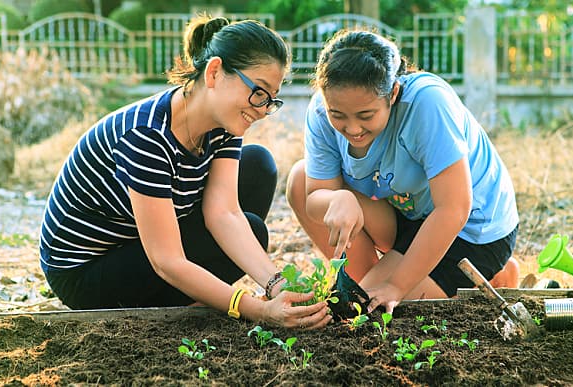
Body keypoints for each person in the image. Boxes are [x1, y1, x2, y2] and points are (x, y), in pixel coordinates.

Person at [39, 15, 331, 330]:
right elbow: (167, 261)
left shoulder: (223, 124)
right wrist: (255, 310)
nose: (261, 109)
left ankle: (193, 296)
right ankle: (188, 299)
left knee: (256, 167)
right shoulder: (146, 135)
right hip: (87, 272)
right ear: (215, 72)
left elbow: (225, 214)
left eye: (269, 100)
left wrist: (276, 285)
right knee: (254, 230)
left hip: (141, 242)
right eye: (258, 92)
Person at [286, 30, 520, 315]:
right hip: (410, 215)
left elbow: (454, 208)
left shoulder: (427, 104)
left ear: (393, 93)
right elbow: (312, 197)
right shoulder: (321, 113)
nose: (353, 129)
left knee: (380, 308)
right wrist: (337, 200)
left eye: (366, 115)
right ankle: (372, 281)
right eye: (339, 115)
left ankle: (492, 274)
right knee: (300, 179)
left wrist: (396, 286)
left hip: (471, 227)